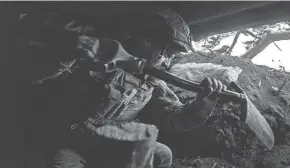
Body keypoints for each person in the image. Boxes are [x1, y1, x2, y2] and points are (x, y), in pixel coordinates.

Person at [27, 9, 227, 168]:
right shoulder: (94, 54)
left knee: (161, 154)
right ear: (147, 41)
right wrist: (65, 53)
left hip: (109, 144)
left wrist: (202, 105)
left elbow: (172, 117)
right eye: (166, 53)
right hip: (69, 142)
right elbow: (35, 78)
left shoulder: (152, 82)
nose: (166, 60)